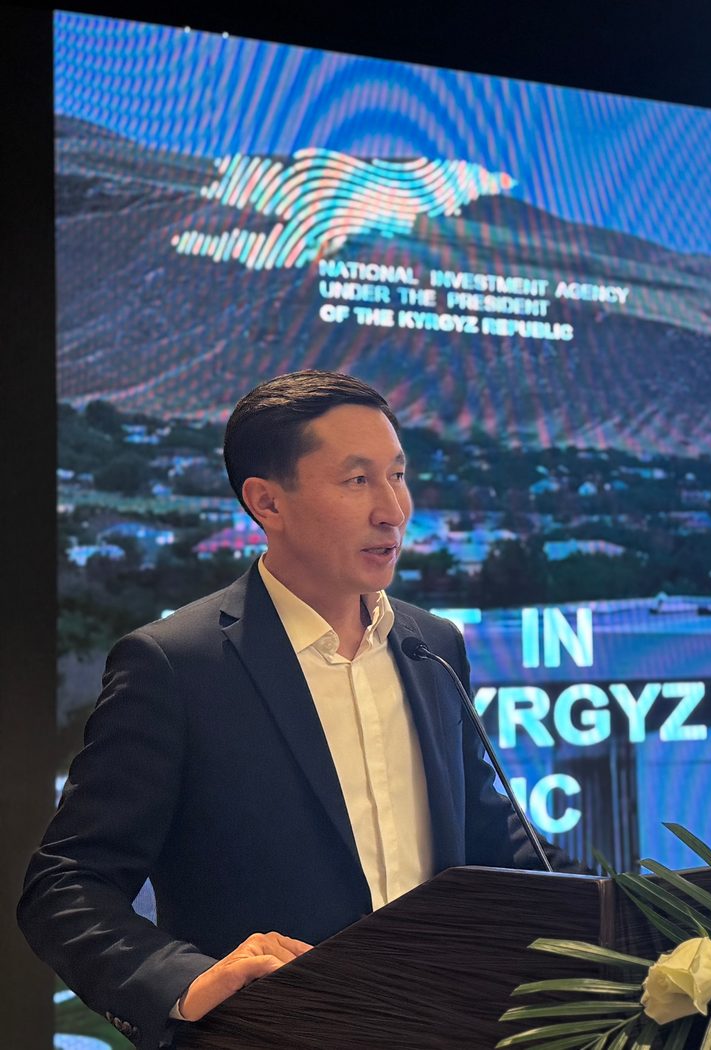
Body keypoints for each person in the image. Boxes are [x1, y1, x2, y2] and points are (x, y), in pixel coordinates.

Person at [19, 371, 568, 1050]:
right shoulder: (176, 665)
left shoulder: (433, 646)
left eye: (398, 475)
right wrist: (183, 982)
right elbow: (66, 886)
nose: (393, 509)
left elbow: (496, 844)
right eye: (357, 480)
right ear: (267, 501)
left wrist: (641, 917)